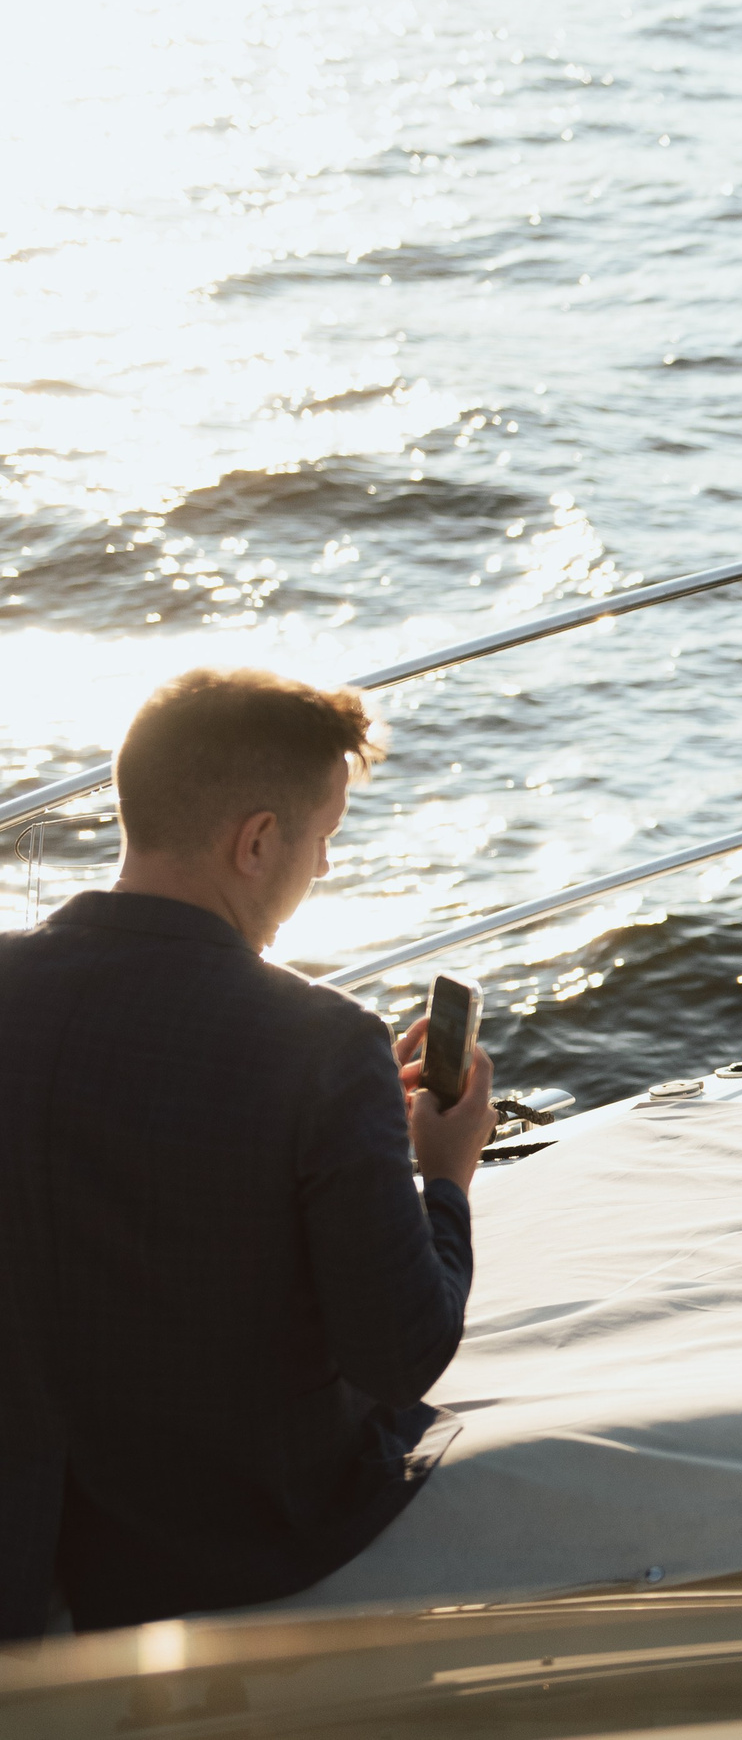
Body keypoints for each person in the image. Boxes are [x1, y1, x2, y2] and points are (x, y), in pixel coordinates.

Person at [0, 666, 496, 1640]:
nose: (325, 867)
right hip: (228, 1537)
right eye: (324, 837)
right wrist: (443, 1174)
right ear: (259, 840)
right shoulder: (323, 1046)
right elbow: (399, 1356)